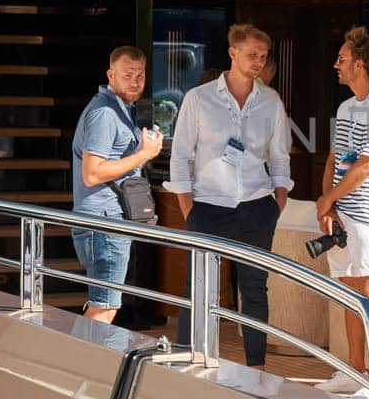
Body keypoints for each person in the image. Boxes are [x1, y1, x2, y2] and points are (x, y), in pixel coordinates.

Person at [169, 24, 292, 366]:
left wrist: (278, 200)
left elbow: (280, 155)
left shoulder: (270, 101)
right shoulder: (199, 98)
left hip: (256, 205)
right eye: (252, 54)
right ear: (233, 53)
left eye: (264, 57)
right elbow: (181, 156)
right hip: (208, 206)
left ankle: (257, 366)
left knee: (254, 288)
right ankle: (190, 360)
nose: (258, 62)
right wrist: (188, 208)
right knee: (198, 286)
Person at [315, 26, 369, 399]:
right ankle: (354, 372)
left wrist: (328, 199)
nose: (336, 65)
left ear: (362, 63)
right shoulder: (346, 107)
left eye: (342, 59)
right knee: (351, 289)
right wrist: (327, 202)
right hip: (343, 211)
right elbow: (336, 158)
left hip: (368, 213)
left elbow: (366, 166)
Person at [71, 46, 163, 324]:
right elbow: (92, 173)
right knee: (104, 307)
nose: (135, 82)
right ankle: (80, 365)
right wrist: (144, 155)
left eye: (140, 75)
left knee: (104, 304)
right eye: (127, 75)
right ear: (111, 75)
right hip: (104, 221)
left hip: (107, 220)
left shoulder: (122, 109)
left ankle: (79, 363)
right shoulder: (105, 113)